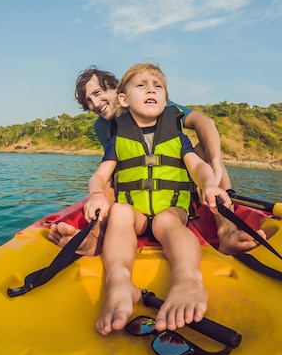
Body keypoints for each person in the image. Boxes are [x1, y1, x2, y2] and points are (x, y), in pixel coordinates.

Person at [48, 65, 265, 256]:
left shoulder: (154, 101)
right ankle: (95, 238)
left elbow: (204, 122)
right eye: (88, 101)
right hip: (137, 199)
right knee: (107, 177)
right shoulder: (101, 127)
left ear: (117, 90)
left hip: (179, 187)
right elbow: (119, 171)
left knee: (205, 153)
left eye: (97, 92)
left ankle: (226, 231)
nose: (95, 103)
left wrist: (214, 166)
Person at [85, 63, 231, 335]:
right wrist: (95, 194)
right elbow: (100, 177)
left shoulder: (175, 133)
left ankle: (188, 280)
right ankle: (119, 281)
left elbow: (197, 166)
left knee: (168, 220)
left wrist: (210, 182)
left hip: (171, 209)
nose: (150, 89)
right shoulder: (116, 139)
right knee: (119, 212)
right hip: (136, 211)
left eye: (158, 86)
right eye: (141, 86)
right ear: (124, 99)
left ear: (165, 99)